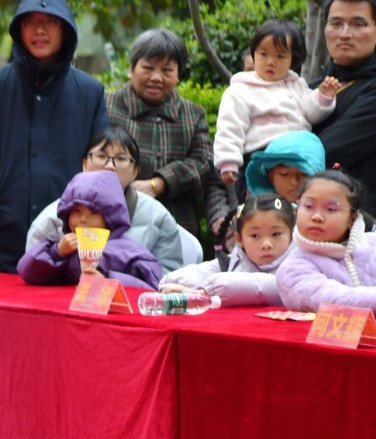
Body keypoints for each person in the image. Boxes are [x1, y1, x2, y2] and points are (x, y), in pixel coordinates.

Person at [0, 0, 108, 272]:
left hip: (68, 244)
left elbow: (100, 168)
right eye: (30, 22)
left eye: (50, 22)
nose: (40, 30)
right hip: (0, 244)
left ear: (65, 29)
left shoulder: (90, 92)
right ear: (18, 29)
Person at [24, 128, 187, 273]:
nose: (109, 166)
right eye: (101, 156)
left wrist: (109, 282)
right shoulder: (51, 218)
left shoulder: (158, 217)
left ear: (135, 172)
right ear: (84, 164)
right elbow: (31, 273)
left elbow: (168, 280)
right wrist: (57, 252)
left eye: (121, 159)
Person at [105, 28, 215, 238]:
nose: (156, 77)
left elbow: (203, 164)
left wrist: (159, 184)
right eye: (147, 68)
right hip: (115, 222)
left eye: (167, 70)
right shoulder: (107, 106)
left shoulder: (193, 115)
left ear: (178, 75)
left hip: (177, 227)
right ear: (131, 68)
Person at [214, 19, 336, 191]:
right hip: (262, 157)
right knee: (265, 209)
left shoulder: (297, 85)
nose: (271, 62)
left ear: (293, 59)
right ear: (254, 53)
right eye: (264, 54)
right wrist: (228, 162)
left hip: (299, 158)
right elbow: (229, 128)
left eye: (280, 56)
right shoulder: (240, 90)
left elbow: (311, 113)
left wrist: (323, 96)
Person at [16, 170, 164, 289]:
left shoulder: (128, 251)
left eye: (93, 213)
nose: (83, 219)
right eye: (76, 211)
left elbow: (152, 286)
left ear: (109, 218)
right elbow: (26, 271)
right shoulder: (65, 245)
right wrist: (57, 252)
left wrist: (107, 280)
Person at [159, 195, 294, 307]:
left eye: (276, 234)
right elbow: (182, 277)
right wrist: (177, 286)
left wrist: (203, 293)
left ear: (292, 234)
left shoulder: (299, 265)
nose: (266, 244)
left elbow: (271, 286)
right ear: (239, 239)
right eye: (255, 236)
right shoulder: (233, 261)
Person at [275, 170, 376, 311]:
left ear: (351, 218)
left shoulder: (372, 243)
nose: (317, 217)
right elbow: (335, 299)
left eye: (331, 209)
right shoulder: (292, 269)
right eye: (308, 206)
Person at [312, 0, 376, 196]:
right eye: (336, 23)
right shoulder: (310, 88)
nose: (345, 34)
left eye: (359, 24)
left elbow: (325, 152)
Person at [244, 131, 324, 201]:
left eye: (304, 174)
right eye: (284, 174)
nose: (294, 182)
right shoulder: (256, 212)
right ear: (271, 177)